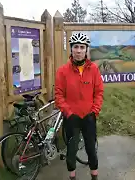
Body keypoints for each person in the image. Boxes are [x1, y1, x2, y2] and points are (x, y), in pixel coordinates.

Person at [55, 32, 104, 180]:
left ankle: (94, 175)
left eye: (82, 47)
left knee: (91, 149)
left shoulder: (93, 69)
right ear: (71, 49)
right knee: (71, 149)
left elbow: (99, 92)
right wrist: (68, 113)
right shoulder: (62, 71)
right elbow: (59, 96)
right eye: (75, 47)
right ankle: (72, 176)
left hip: (89, 116)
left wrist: (94, 111)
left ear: (86, 49)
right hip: (72, 117)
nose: (78, 50)